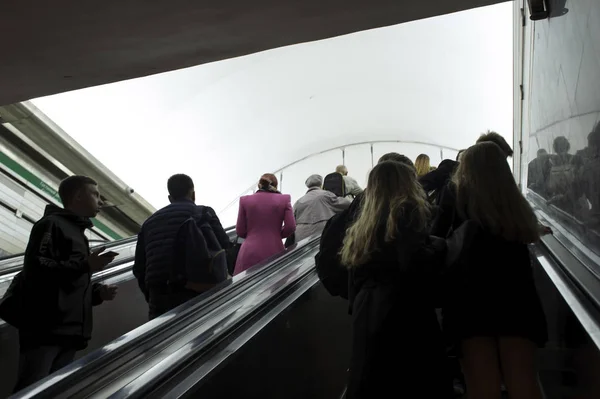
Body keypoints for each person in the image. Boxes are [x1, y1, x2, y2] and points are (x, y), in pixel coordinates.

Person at [340, 161, 453, 399]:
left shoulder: (364, 221)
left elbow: (355, 272)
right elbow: (412, 263)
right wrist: (439, 246)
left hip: (368, 309)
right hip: (403, 310)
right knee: (412, 381)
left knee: (374, 379)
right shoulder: (406, 210)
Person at [443, 142, 547, 399]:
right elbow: (528, 232)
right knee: (524, 383)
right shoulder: (515, 209)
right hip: (516, 301)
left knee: (481, 388)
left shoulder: (458, 201)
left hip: (470, 304)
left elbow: (439, 241)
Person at [13, 175, 118, 392]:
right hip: (46, 329)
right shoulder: (51, 224)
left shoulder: (79, 234)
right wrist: (85, 265)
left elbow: (69, 283)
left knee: (53, 392)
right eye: (95, 194)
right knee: (31, 391)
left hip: (69, 333)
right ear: (78, 196)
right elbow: (37, 267)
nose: (100, 202)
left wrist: (98, 293)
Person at [133, 174, 231, 320]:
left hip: (159, 296)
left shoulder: (148, 223)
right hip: (198, 291)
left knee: (163, 340)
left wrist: (153, 294)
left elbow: (139, 268)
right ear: (193, 194)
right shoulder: (203, 213)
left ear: (170, 198)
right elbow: (225, 247)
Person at [233, 173, 295, 275]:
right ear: (275, 186)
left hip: (249, 251)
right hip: (275, 248)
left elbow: (240, 230)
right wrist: (276, 234)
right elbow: (290, 227)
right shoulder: (284, 199)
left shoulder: (245, 200)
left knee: (245, 287)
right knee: (274, 284)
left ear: (259, 185)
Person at [293, 174, 351, 242]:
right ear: (321, 184)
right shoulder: (325, 195)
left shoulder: (299, 201)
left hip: (300, 237)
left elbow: (292, 219)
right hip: (321, 234)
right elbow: (346, 204)